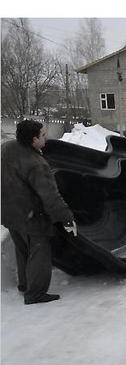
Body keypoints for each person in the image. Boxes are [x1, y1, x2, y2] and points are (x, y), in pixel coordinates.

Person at [1, 120, 77, 304]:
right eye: (43, 135)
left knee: (22, 250)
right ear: (34, 139)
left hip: (9, 211)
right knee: (39, 252)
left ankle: (25, 285)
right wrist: (67, 218)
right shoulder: (36, 164)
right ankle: (35, 293)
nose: (46, 138)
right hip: (31, 215)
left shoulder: (7, 148)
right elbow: (50, 196)